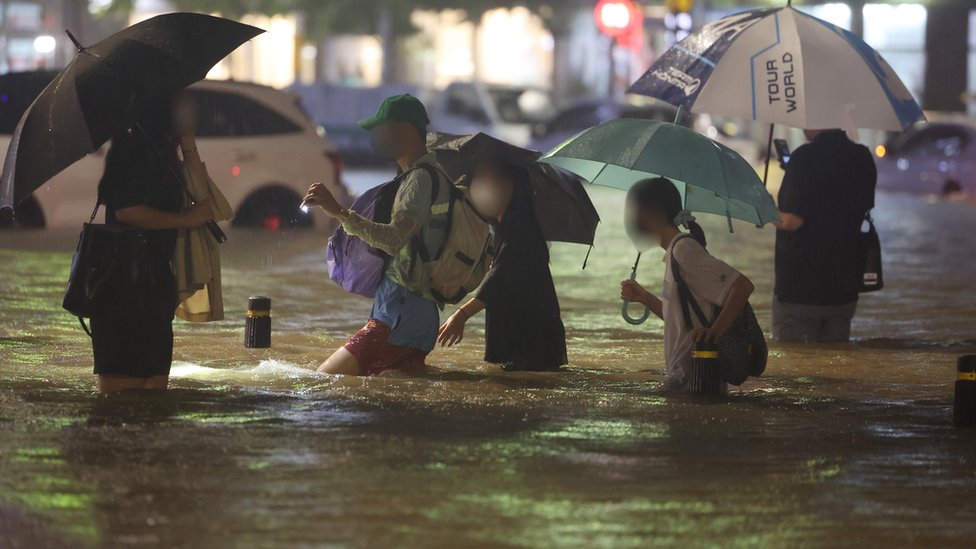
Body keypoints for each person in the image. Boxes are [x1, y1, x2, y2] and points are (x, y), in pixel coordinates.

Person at [304, 94, 452, 376]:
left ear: (405, 131)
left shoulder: (419, 180)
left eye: (382, 129)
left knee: (324, 381)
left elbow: (394, 239)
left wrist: (338, 212)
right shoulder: (432, 175)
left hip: (399, 316)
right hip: (413, 314)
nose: (377, 137)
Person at [91, 92, 216, 394]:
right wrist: (184, 220)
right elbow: (127, 210)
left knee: (155, 389)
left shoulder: (165, 151)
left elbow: (205, 201)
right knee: (121, 393)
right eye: (182, 106)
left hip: (155, 283)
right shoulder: (130, 149)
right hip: (121, 286)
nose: (191, 111)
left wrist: (188, 143)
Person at [617, 177, 755, 392]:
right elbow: (681, 319)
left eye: (636, 210)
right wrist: (645, 298)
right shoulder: (674, 252)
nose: (632, 219)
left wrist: (714, 333)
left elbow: (743, 286)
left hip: (698, 378)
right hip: (684, 377)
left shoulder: (684, 250)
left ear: (654, 213)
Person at [437, 158, 568, 372]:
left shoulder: (520, 225)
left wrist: (461, 315)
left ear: (512, 185)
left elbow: (499, 277)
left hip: (532, 342)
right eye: (479, 181)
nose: (485, 188)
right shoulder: (505, 225)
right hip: (528, 340)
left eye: (495, 180)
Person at [773, 129, 877, 343]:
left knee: (797, 368)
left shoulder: (803, 158)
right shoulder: (862, 157)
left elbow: (791, 221)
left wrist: (763, 208)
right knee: (835, 365)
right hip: (844, 288)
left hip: (800, 288)